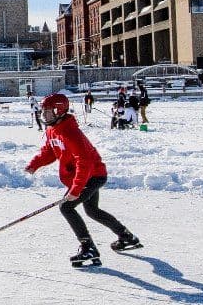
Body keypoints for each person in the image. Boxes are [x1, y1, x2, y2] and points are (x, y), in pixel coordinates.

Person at [24, 94, 141, 268]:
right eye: (44, 112)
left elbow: (84, 162)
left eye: (48, 112)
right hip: (86, 176)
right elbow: (50, 151)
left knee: (66, 206)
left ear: (59, 111)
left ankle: (88, 247)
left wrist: (76, 190)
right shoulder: (52, 130)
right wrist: (35, 164)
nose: (44, 116)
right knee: (93, 211)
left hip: (93, 175)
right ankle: (126, 237)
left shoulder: (71, 132)